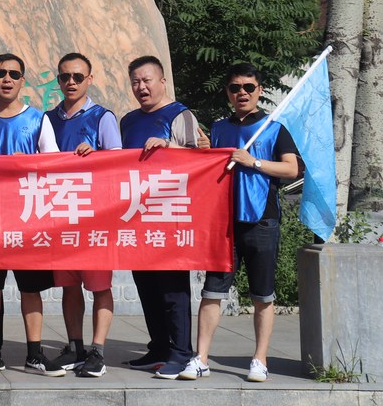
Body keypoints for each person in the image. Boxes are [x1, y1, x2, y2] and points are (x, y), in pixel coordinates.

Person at [179, 63, 301, 384]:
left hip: (263, 221)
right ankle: (201, 358)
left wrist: (254, 161)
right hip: (224, 224)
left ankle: (260, 359)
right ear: (228, 93)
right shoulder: (219, 128)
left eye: (248, 87)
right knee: (212, 291)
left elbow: (292, 169)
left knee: (262, 295)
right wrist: (203, 151)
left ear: (260, 90)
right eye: (235, 88)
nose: (242, 93)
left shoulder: (274, 128)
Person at [0, 52, 63, 378]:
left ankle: (35, 353)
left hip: (28, 218)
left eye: (14, 74)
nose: (7, 79)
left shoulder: (37, 119)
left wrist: (29, 163)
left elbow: (54, 164)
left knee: (30, 289)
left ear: (22, 81)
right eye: (1, 73)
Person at [118, 55, 207, 380]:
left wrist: (168, 146)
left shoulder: (180, 115)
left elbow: (201, 159)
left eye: (147, 80)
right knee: (146, 285)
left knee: (172, 288)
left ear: (162, 81)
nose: (141, 87)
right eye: (135, 82)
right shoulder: (128, 121)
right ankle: (158, 347)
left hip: (170, 215)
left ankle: (181, 353)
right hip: (137, 216)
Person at [44, 52, 121, 378]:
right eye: (65, 77)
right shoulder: (49, 119)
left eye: (77, 77)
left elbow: (118, 166)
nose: (71, 82)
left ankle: (97, 351)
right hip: (60, 216)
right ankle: (75, 347)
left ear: (89, 79)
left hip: (95, 218)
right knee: (69, 285)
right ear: (58, 81)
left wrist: (98, 154)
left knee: (100, 286)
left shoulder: (103, 118)